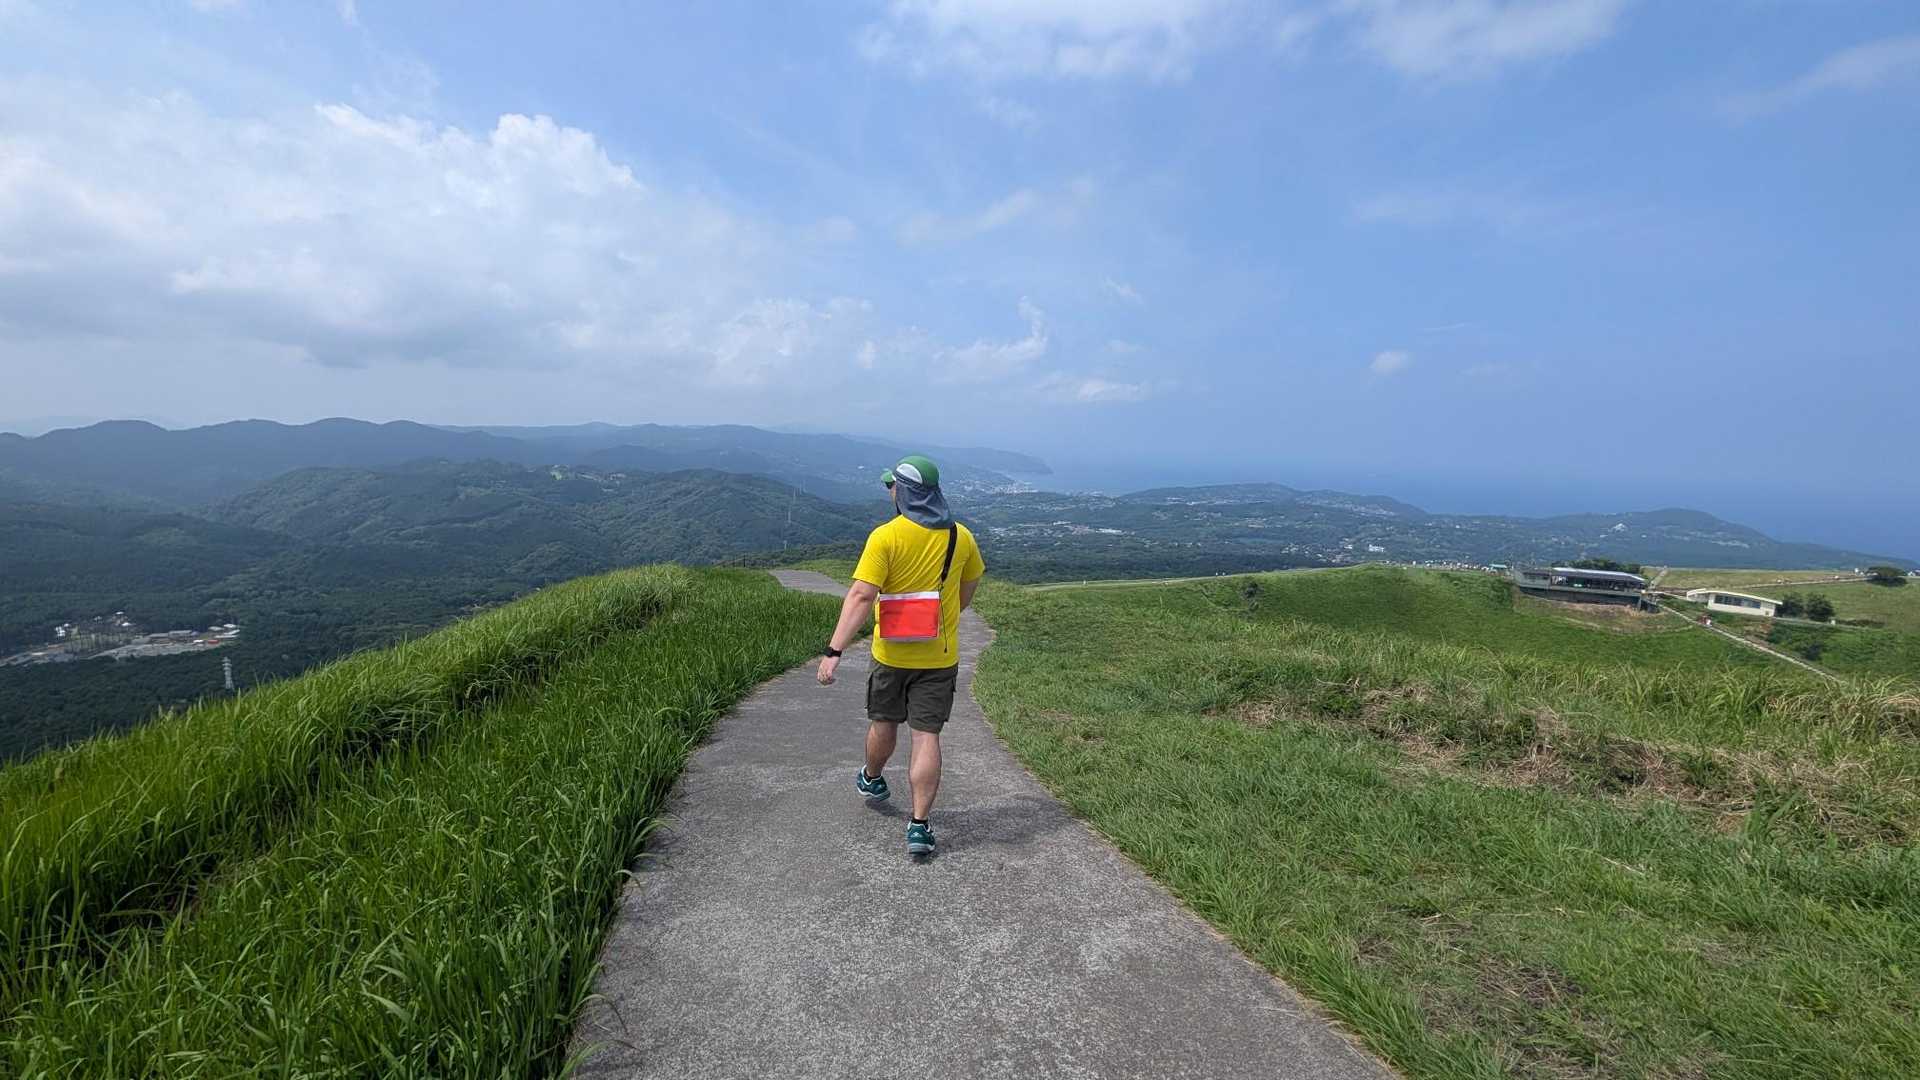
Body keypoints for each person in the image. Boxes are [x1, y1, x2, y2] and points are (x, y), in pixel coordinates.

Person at [817, 455, 985, 855]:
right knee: (926, 736)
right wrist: (946, 616)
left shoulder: (886, 536)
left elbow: (861, 596)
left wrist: (834, 650)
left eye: (892, 485)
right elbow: (969, 586)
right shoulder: (960, 536)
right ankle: (920, 825)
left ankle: (873, 777)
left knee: (884, 722)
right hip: (939, 657)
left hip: (891, 654)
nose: (890, 491)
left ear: (904, 492)